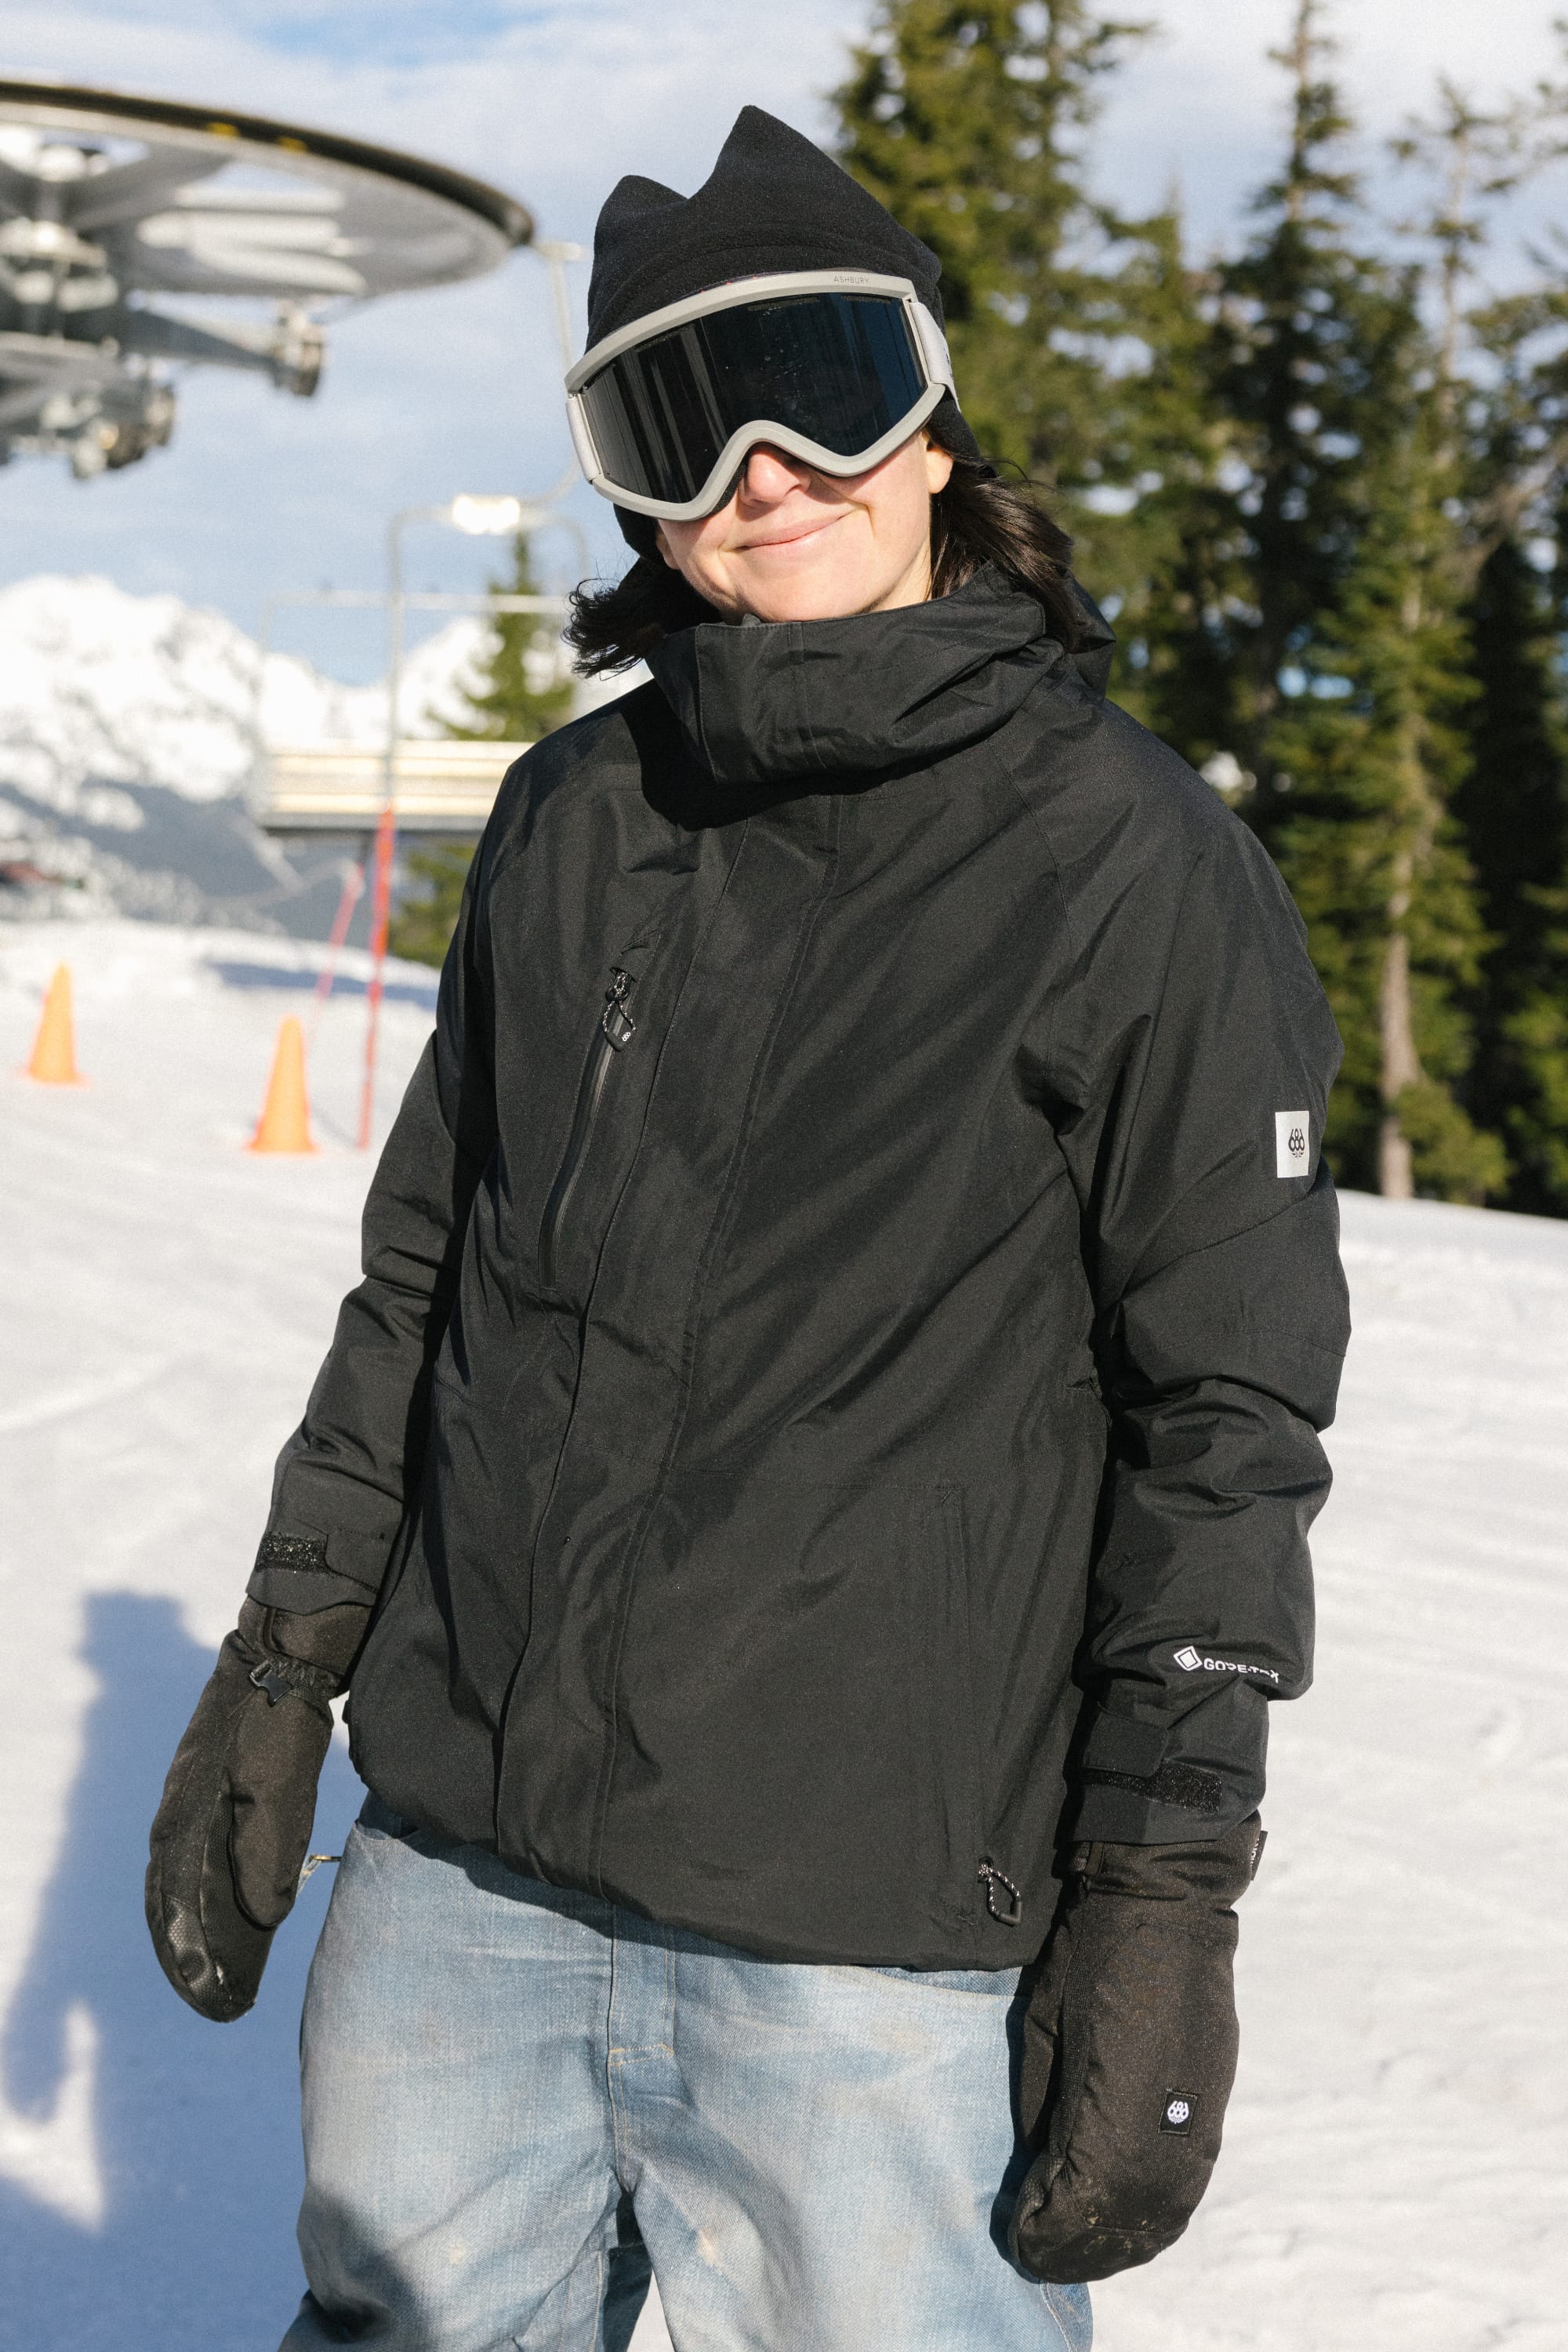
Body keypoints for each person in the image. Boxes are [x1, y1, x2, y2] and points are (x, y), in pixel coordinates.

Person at [147, 107, 1350, 2351]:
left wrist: (1161, 1890)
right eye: (684, 421)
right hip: (464, 1878)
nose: (765, 471)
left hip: (865, 1946)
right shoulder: (571, 819)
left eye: (822, 384)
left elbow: (1227, 1423)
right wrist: (282, 1662)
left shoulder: (1131, 868)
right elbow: (418, 1293)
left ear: (932, 422)